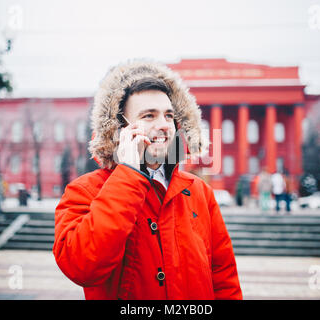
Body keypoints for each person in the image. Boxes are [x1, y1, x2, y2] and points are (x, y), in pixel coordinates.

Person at [53, 60, 242, 300]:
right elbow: (82, 266)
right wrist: (129, 174)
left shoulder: (199, 192)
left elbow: (224, 279)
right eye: (149, 116)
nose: (164, 125)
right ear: (119, 128)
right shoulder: (85, 191)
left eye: (168, 115)